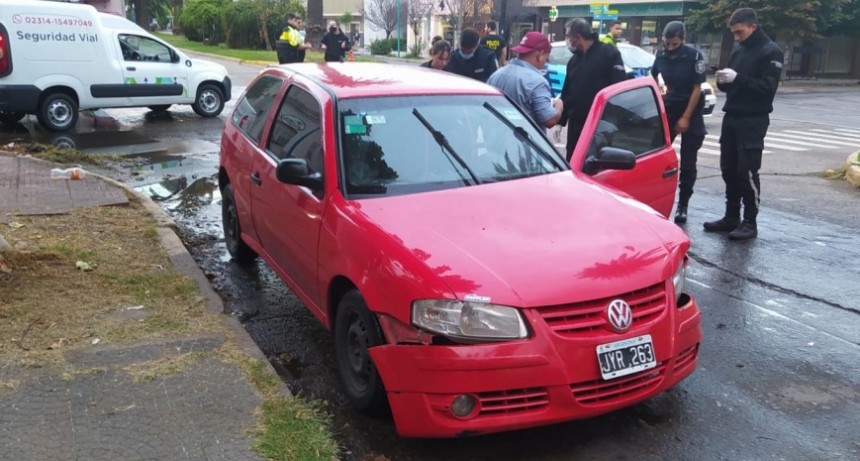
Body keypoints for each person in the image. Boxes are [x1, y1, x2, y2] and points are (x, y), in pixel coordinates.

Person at [704, 7, 783, 240]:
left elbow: (767, 89)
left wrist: (739, 78)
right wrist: (724, 82)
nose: (736, 38)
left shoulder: (771, 52)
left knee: (746, 170)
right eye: (734, 33)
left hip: (753, 119)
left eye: (739, 32)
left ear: (753, 27)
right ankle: (731, 216)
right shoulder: (738, 51)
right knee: (728, 168)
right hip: (733, 115)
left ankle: (750, 222)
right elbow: (732, 86)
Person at [650, 21, 706, 224]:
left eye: (675, 43)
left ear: (682, 39)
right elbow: (653, 77)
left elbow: (697, 88)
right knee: (656, 155)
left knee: (689, 162)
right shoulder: (661, 54)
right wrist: (658, 96)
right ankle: (654, 199)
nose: (671, 47)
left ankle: (683, 205)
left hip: (691, 108)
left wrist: (686, 118)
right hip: (671, 106)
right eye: (668, 43)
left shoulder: (693, 56)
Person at [558, 18, 627, 160]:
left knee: (597, 162)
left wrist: (613, 121)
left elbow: (619, 89)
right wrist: (561, 121)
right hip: (576, 123)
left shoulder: (609, 54)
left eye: (568, 38)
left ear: (578, 37)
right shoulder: (574, 61)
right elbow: (567, 91)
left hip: (600, 123)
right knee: (573, 159)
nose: (568, 42)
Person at [487, 32, 563, 132]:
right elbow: (549, 120)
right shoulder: (537, 81)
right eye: (546, 57)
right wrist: (559, 105)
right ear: (540, 55)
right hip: (524, 143)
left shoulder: (496, 75)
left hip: (496, 138)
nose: (546, 61)